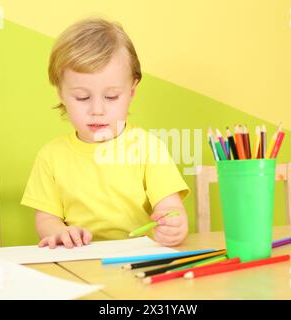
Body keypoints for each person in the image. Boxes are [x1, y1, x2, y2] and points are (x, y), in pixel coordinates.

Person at [21, 17, 190, 249]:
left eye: (111, 97)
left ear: (131, 91)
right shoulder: (50, 156)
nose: (97, 110)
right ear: (61, 93)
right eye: (82, 97)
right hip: (79, 261)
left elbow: (170, 207)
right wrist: (60, 232)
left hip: (137, 259)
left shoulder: (148, 147)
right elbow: (45, 219)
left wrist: (173, 223)